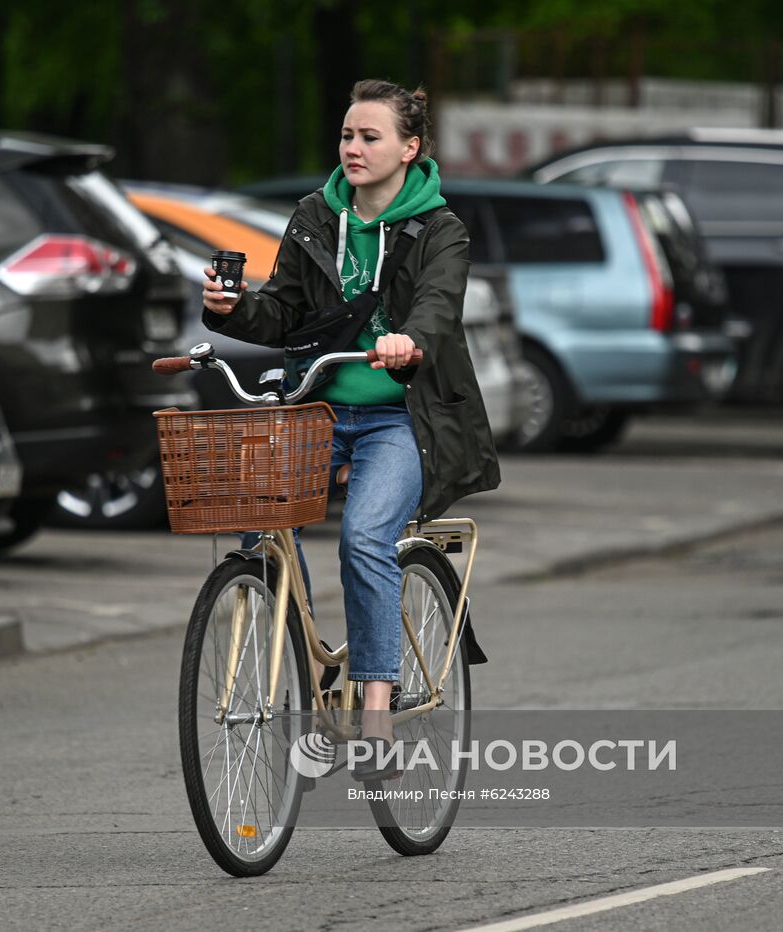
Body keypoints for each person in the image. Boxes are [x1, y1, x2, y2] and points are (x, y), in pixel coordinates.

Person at [202, 78, 500, 778]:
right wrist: (231, 309)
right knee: (261, 519)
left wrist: (409, 340)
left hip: (405, 416)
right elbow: (282, 313)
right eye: (347, 136)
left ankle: (375, 712)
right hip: (323, 407)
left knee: (366, 536)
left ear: (410, 147)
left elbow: (438, 306)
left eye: (370, 137)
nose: (354, 148)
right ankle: (304, 666)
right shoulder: (314, 214)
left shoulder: (441, 229)